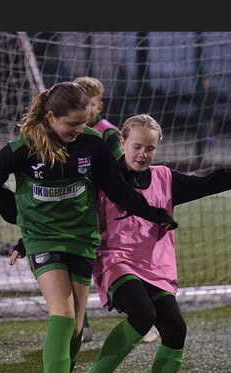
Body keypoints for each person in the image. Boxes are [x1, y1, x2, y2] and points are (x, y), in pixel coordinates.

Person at [0, 82, 178, 373]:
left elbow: (118, 190)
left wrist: (153, 213)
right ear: (51, 116)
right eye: (71, 124)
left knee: (73, 328)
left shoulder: (92, 145)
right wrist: (18, 220)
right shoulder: (24, 147)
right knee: (62, 314)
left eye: (83, 122)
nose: (78, 130)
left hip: (82, 240)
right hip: (44, 239)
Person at [72, 113, 231, 373]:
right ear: (122, 143)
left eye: (150, 148)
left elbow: (213, 181)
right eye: (137, 146)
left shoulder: (165, 179)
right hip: (115, 262)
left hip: (156, 266)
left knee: (175, 329)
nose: (143, 154)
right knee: (142, 315)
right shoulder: (104, 178)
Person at [74, 75, 161, 343]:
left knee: (117, 268)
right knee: (75, 269)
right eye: (79, 103)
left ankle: (143, 320)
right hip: (80, 208)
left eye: (90, 103)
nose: (85, 109)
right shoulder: (71, 131)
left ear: (98, 107)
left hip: (109, 211)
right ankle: (81, 326)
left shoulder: (107, 133)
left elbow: (119, 172)